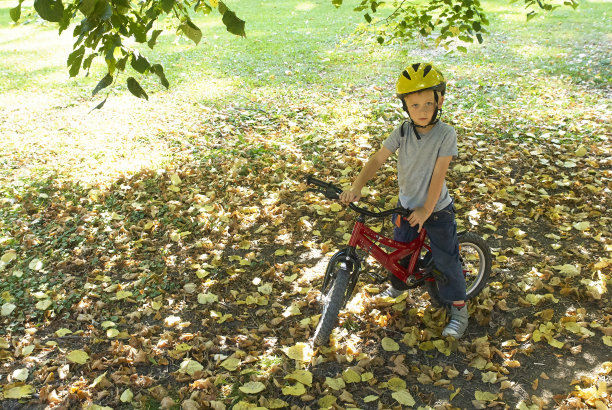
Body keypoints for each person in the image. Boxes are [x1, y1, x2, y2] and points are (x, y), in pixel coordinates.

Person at [339, 63, 468, 338]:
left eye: (428, 104)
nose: (421, 111)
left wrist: (426, 210)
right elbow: (377, 159)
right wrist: (357, 186)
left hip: (436, 210)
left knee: (446, 260)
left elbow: (438, 176)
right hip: (407, 206)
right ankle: (398, 288)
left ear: (440, 102)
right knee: (401, 252)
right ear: (405, 107)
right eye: (414, 105)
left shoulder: (446, 134)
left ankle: (459, 309)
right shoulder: (402, 131)